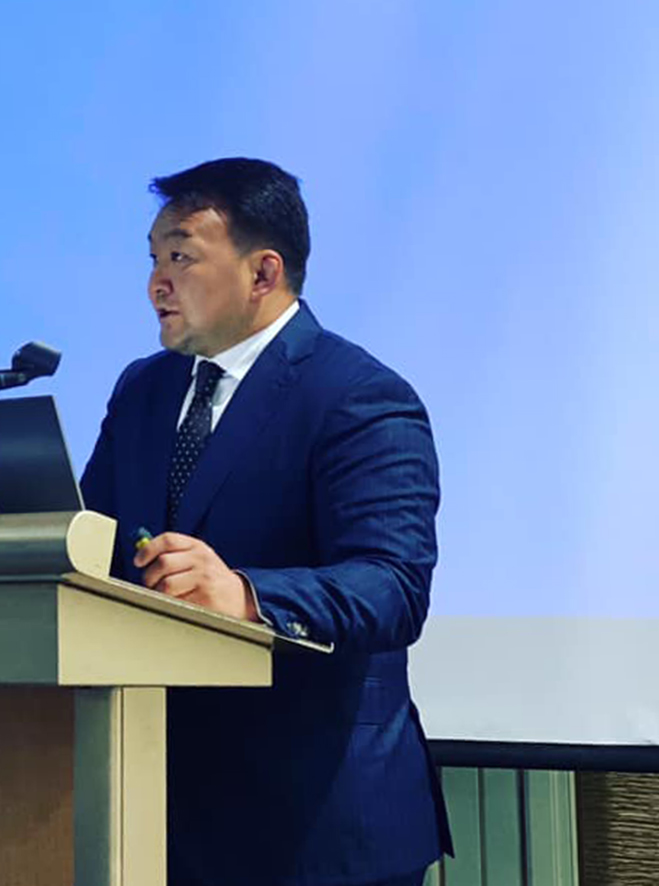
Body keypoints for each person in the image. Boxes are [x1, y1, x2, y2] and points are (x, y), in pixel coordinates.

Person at [80, 158, 452, 886]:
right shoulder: (144, 388)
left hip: (317, 825)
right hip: (158, 810)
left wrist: (248, 595)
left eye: (180, 257)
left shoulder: (357, 395)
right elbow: (95, 540)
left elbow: (393, 586)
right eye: (152, 259)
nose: (156, 284)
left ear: (263, 272)